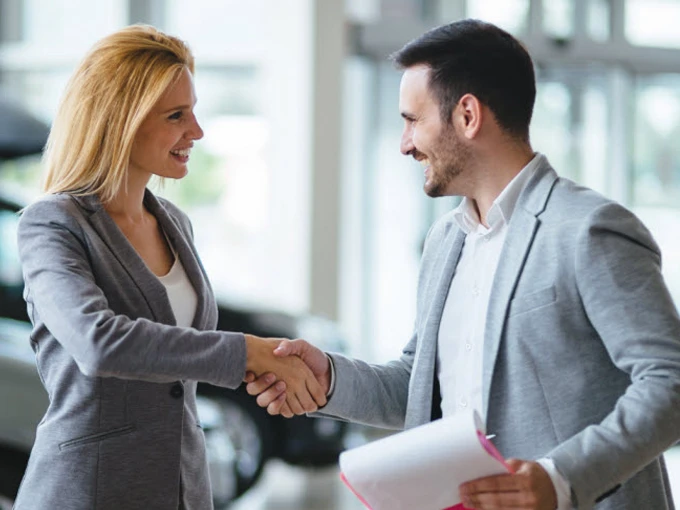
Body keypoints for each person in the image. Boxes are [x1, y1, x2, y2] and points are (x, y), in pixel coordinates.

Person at [245, 19, 680, 510]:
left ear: (468, 115)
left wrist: (561, 478)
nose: (404, 143)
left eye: (413, 119)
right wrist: (330, 378)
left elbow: (670, 381)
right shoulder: (444, 240)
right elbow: (420, 385)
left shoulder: (588, 230)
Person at [14, 24, 325, 510]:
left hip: (183, 487)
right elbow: (99, 343)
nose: (196, 131)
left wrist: (271, 369)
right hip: (90, 492)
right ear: (122, 121)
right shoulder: (52, 224)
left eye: (194, 112)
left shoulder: (175, 222)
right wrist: (244, 352)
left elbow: (182, 359)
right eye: (177, 115)